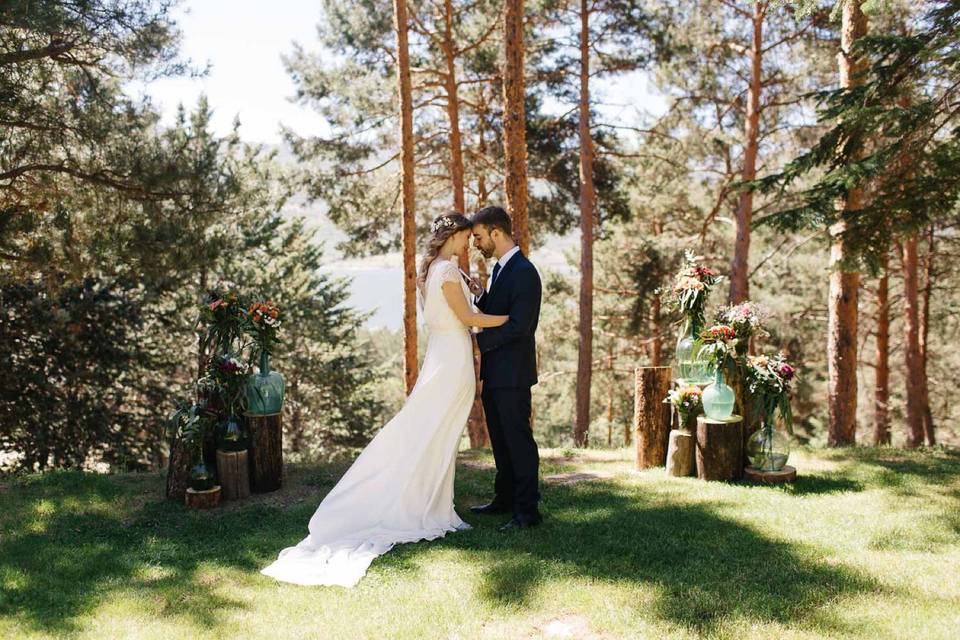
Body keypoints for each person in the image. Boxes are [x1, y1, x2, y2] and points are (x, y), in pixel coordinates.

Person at [260, 212, 508, 587]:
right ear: (453, 236)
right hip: (452, 361)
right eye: (464, 237)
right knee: (435, 434)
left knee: (435, 434)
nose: (468, 243)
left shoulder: (437, 271)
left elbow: (454, 311)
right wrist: (509, 318)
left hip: (443, 357)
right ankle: (425, 506)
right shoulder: (445, 272)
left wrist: (472, 287)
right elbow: (469, 318)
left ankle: (435, 501)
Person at [465, 206, 543, 530]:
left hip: (513, 374)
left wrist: (480, 340)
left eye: (479, 237)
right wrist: (482, 296)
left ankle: (527, 513)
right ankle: (505, 498)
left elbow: (520, 326)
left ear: (497, 233)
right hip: (497, 373)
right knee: (500, 439)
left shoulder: (524, 272)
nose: (476, 244)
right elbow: (502, 311)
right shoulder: (500, 270)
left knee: (518, 441)